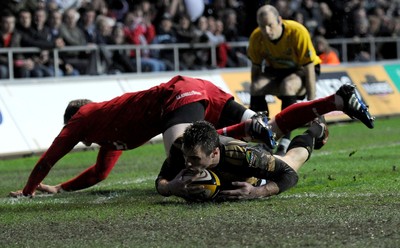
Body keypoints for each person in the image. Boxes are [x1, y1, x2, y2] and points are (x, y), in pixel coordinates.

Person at [9, 75, 273, 197]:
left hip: (177, 94)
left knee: (182, 156)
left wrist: (28, 190)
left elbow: (47, 160)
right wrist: (58, 188)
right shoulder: (110, 131)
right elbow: (99, 173)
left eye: (72, 132)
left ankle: (244, 134)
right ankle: (255, 135)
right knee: (248, 133)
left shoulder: (81, 118)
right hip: (198, 88)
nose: (75, 137)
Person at [156, 84, 375, 201]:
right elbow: (161, 180)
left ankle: (316, 130)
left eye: (194, 159)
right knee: (271, 131)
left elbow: (289, 176)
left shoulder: (242, 155)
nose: (187, 163)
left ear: (213, 153)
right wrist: (170, 187)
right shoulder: (181, 149)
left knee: (292, 159)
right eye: (187, 157)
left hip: (255, 173)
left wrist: (257, 192)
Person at [248, 4, 322, 156]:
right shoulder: (256, 37)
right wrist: (254, 102)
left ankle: (285, 140)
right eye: (262, 26)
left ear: (279, 20)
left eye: (270, 25)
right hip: (277, 71)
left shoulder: (297, 31)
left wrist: (311, 104)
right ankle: (265, 136)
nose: (267, 31)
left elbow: (309, 67)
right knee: (256, 87)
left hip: (302, 71)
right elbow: (255, 70)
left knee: (288, 86)